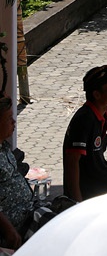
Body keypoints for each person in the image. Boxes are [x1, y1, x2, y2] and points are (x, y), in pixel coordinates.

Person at [62, 65, 107, 202]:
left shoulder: (101, 115)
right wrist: (77, 202)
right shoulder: (84, 120)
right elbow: (72, 162)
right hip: (89, 193)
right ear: (96, 94)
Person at [0, 97, 32, 250]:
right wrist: (8, 229)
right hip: (17, 221)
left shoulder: (4, 147)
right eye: (8, 119)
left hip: (29, 210)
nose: (14, 122)